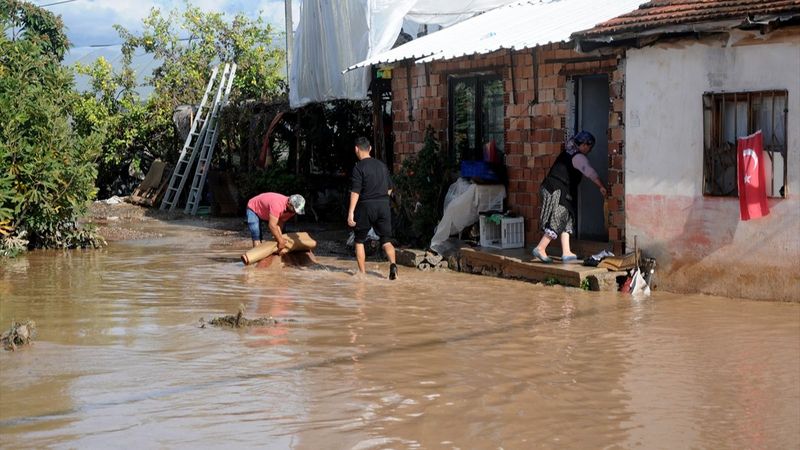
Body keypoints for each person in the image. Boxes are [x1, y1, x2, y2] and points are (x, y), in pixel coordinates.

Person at [532, 131, 607, 263]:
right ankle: (540, 248)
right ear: (584, 145)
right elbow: (590, 172)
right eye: (590, 146)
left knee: (567, 219)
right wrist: (601, 186)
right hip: (556, 189)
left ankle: (566, 252)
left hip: (556, 188)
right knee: (559, 216)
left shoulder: (569, 152)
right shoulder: (577, 157)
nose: (590, 150)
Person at [347, 136, 398, 279]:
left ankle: (362, 274)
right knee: (386, 239)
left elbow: (355, 191)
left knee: (359, 240)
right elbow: (389, 189)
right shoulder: (382, 166)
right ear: (370, 149)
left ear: (356, 149)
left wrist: (351, 212)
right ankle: (393, 265)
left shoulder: (358, 167)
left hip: (366, 206)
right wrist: (383, 200)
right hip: (383, 204)